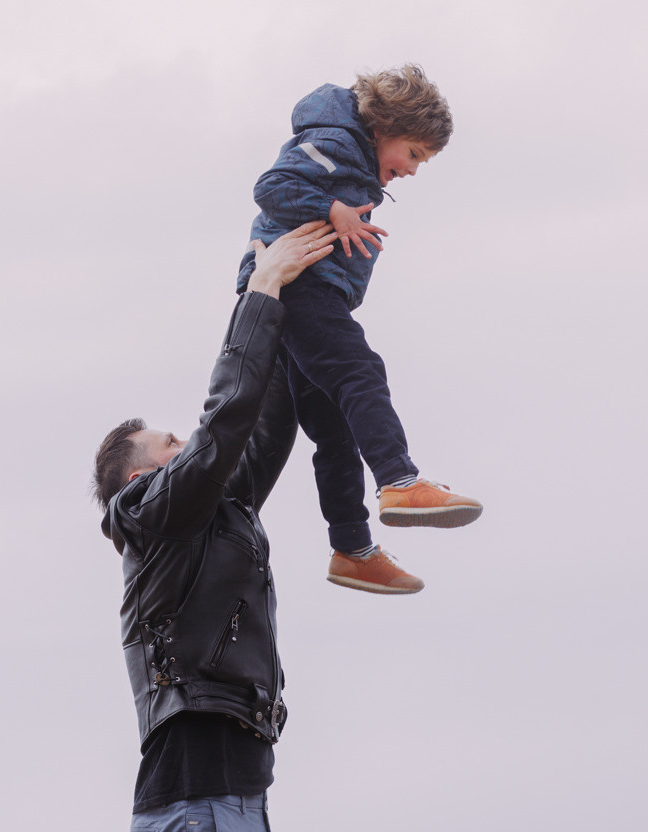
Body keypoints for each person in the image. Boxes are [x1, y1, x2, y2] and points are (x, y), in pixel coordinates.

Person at [94, 222, 337, 832]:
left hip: (237, 796)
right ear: (137, 480)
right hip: (192, 799)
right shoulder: (149, 512)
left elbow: (262, 423)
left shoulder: (215, 514)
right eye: (170, 443)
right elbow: (224, 426)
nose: (188, 444)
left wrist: (290, 301)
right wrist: (258, 291)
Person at [237, 64, 482, 597]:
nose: (414, 170)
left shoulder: (353, 155)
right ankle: (399, 482)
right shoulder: (335, 141)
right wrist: (334, 210)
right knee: (359, 372)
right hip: (301, 284)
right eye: (414, 154)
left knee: (334, 426)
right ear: (384, 126)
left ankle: (353, 550)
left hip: (306, 290)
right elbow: (271, 186)